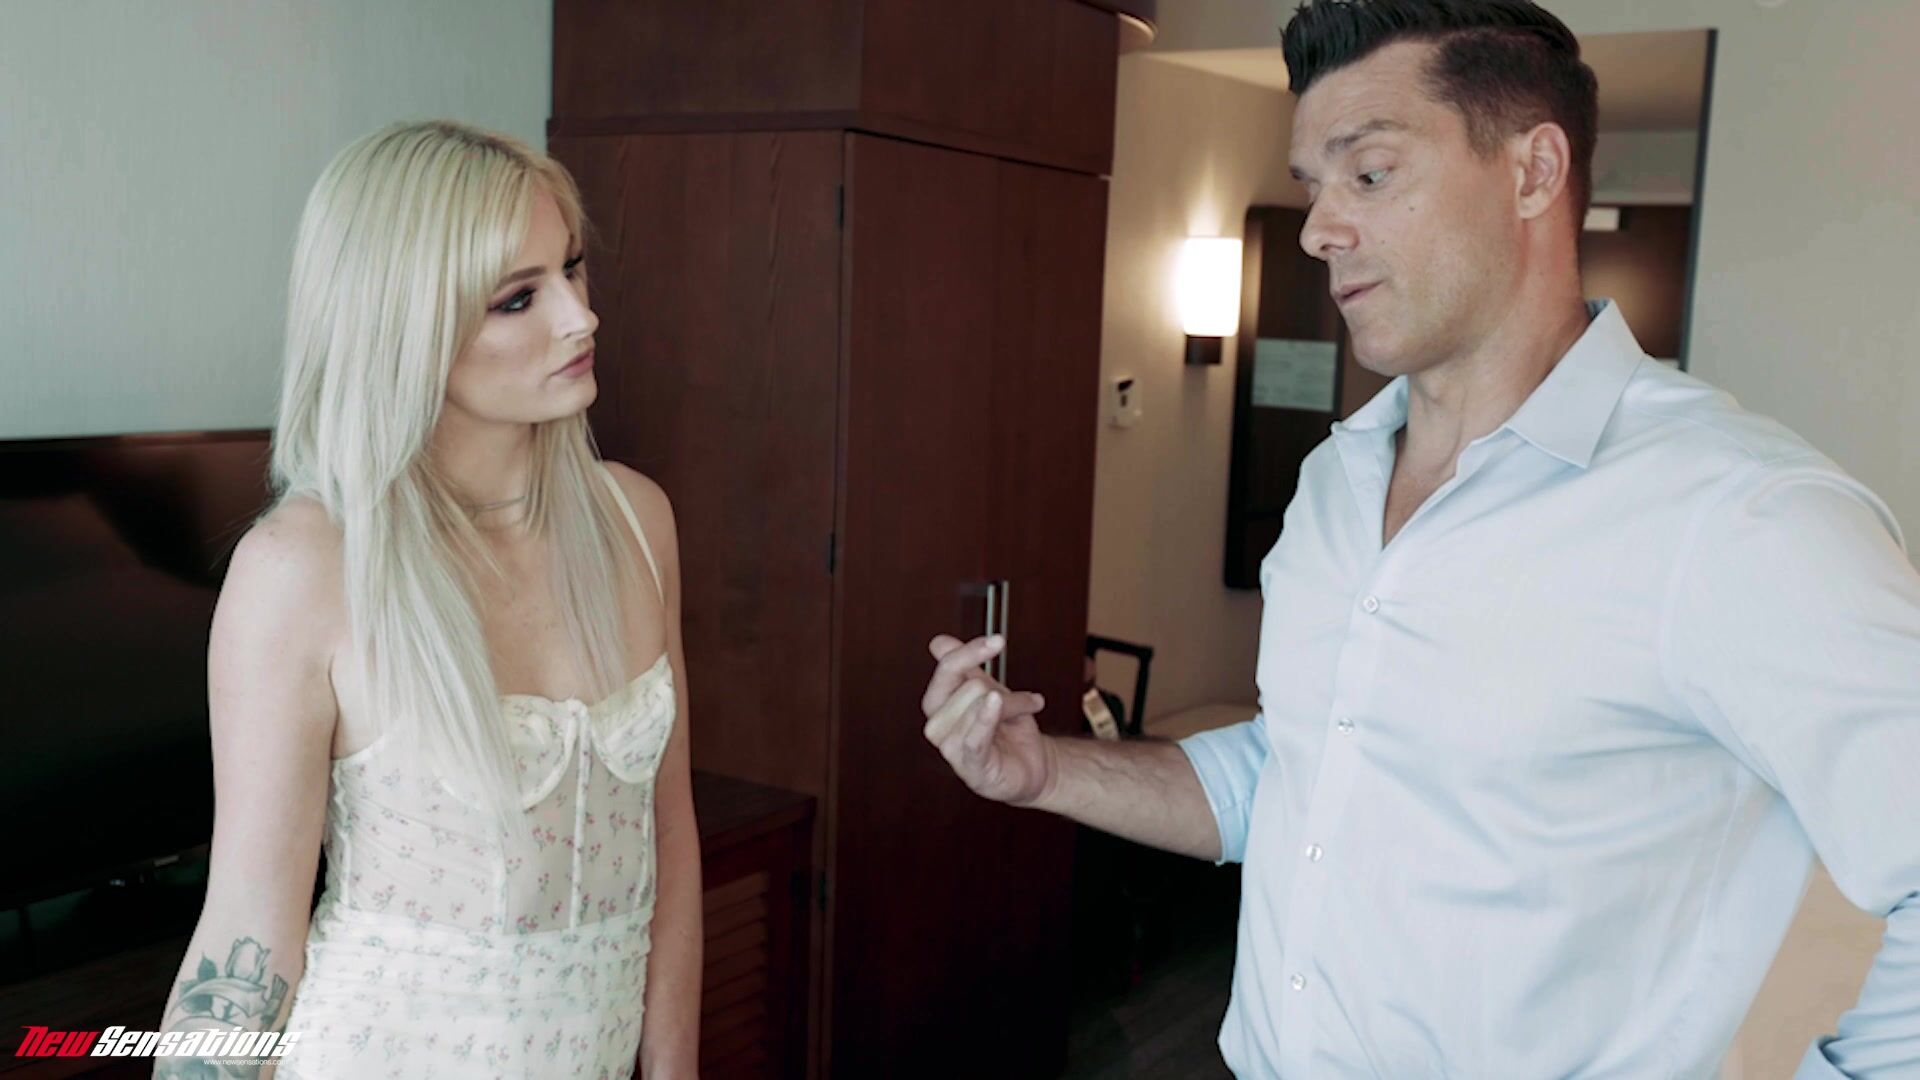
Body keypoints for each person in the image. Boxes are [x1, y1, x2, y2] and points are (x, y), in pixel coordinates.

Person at [919, 1, 1920, 1076]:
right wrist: (1045, 774)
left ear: (1534, 172)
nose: (1318, 228)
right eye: (1312, 185)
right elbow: (1295, 774)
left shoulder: (1739, 516)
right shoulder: (1335, 484)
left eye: (1370, 172)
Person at [154, 120, 701, 1079]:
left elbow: (670, 841)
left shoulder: (635, 521)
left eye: (572, 269)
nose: (579, 317)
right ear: (401, 324)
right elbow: (246, 928)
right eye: (518, 297)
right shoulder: (303, 569)